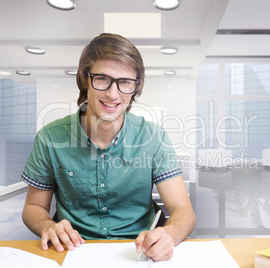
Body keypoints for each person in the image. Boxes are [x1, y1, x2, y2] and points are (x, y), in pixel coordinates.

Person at [21, 33, 196, 262]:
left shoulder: (153, 137)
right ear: (86, 80)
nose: (113, 94)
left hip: (139, 253)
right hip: (74, 252)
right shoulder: (50, 138)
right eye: (102, 79)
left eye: (125, 82)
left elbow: (184, 211)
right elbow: (33, 206)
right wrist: (46, 225)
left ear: (135, 87)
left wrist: (169, 234)